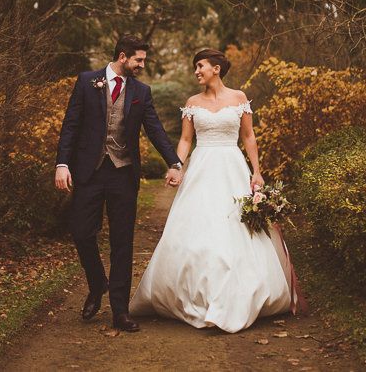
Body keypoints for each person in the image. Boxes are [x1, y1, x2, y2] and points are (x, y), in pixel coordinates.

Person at [130, 48, 304, 332]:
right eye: (195, 67)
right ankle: (193, 294)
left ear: (216, 69)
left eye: (200, 66)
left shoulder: (239, 98)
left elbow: (248, 136)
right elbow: (186, 141)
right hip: (201, 167)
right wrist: (177, 165)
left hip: (232, 167)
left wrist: (257, 172)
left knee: (237, 228)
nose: (196, 71)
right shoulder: (192, 102)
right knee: (199, 226)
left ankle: (240, 295)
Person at [55, 35, 183, 333]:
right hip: (89, 171)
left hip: (123, 174)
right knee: (81, 231)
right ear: (123, 57)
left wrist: (173, 162)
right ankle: (97, 281)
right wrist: (62, 163)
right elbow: (70, 125)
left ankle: (120, 312)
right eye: (139, 60)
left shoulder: (141, 91)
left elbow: (155, 130)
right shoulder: (88, 81)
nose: (142, 65)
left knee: (122, 242)